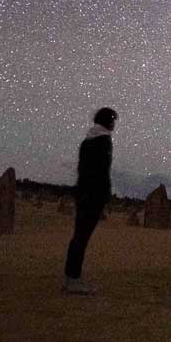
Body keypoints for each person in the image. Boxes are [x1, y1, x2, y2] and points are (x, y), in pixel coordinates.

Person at [63, 106, 117, 294]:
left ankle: (72, 276)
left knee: (79, 235)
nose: (114, 124)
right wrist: (104, 196)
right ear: (108, 121)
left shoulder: (88, 140)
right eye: (113, 120)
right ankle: (73, 280)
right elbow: (102, 171)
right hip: (93, 194)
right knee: (82, 237)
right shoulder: (103, 140)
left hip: (83, 192)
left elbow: (83, 169)